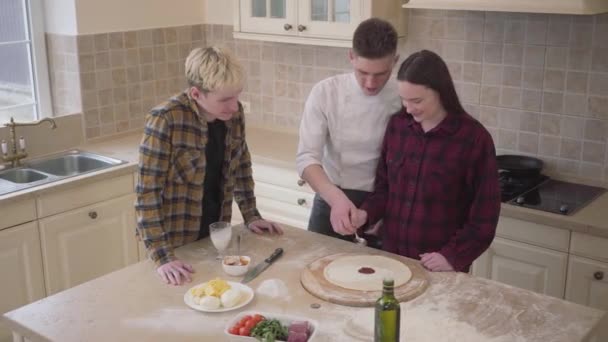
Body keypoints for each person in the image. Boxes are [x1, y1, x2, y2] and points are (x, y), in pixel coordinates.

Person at [135, 46, 282, 286]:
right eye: (225, 99)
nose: (234, 106)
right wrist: (163, 258)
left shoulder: (233, 115)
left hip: (215, 235)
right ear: (196, 94)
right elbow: (147, 194)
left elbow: (241, 164)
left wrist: (251, 216)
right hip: (174, 246)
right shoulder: (166, 120)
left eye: (237, 96)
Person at [352, 50, 501, 272]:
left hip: (440, 267)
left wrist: (451, 256)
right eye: (404, 100)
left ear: (441, 92)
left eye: (417, 100)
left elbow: (484, 218)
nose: (409, 108)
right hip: (391, 260)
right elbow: (384, 190)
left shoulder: (474, 140)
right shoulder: (398, 127)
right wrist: (365, 214)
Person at [296, 18, 401, 245]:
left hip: (384, 202)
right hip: (332, 196)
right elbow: (306, 158)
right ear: (351, 57)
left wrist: (388, 209)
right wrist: (336, 200)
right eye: (363, 72)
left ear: (395, 61)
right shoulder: (326, 93)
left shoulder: (404, 97)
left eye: (381, 73)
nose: (371, 83)